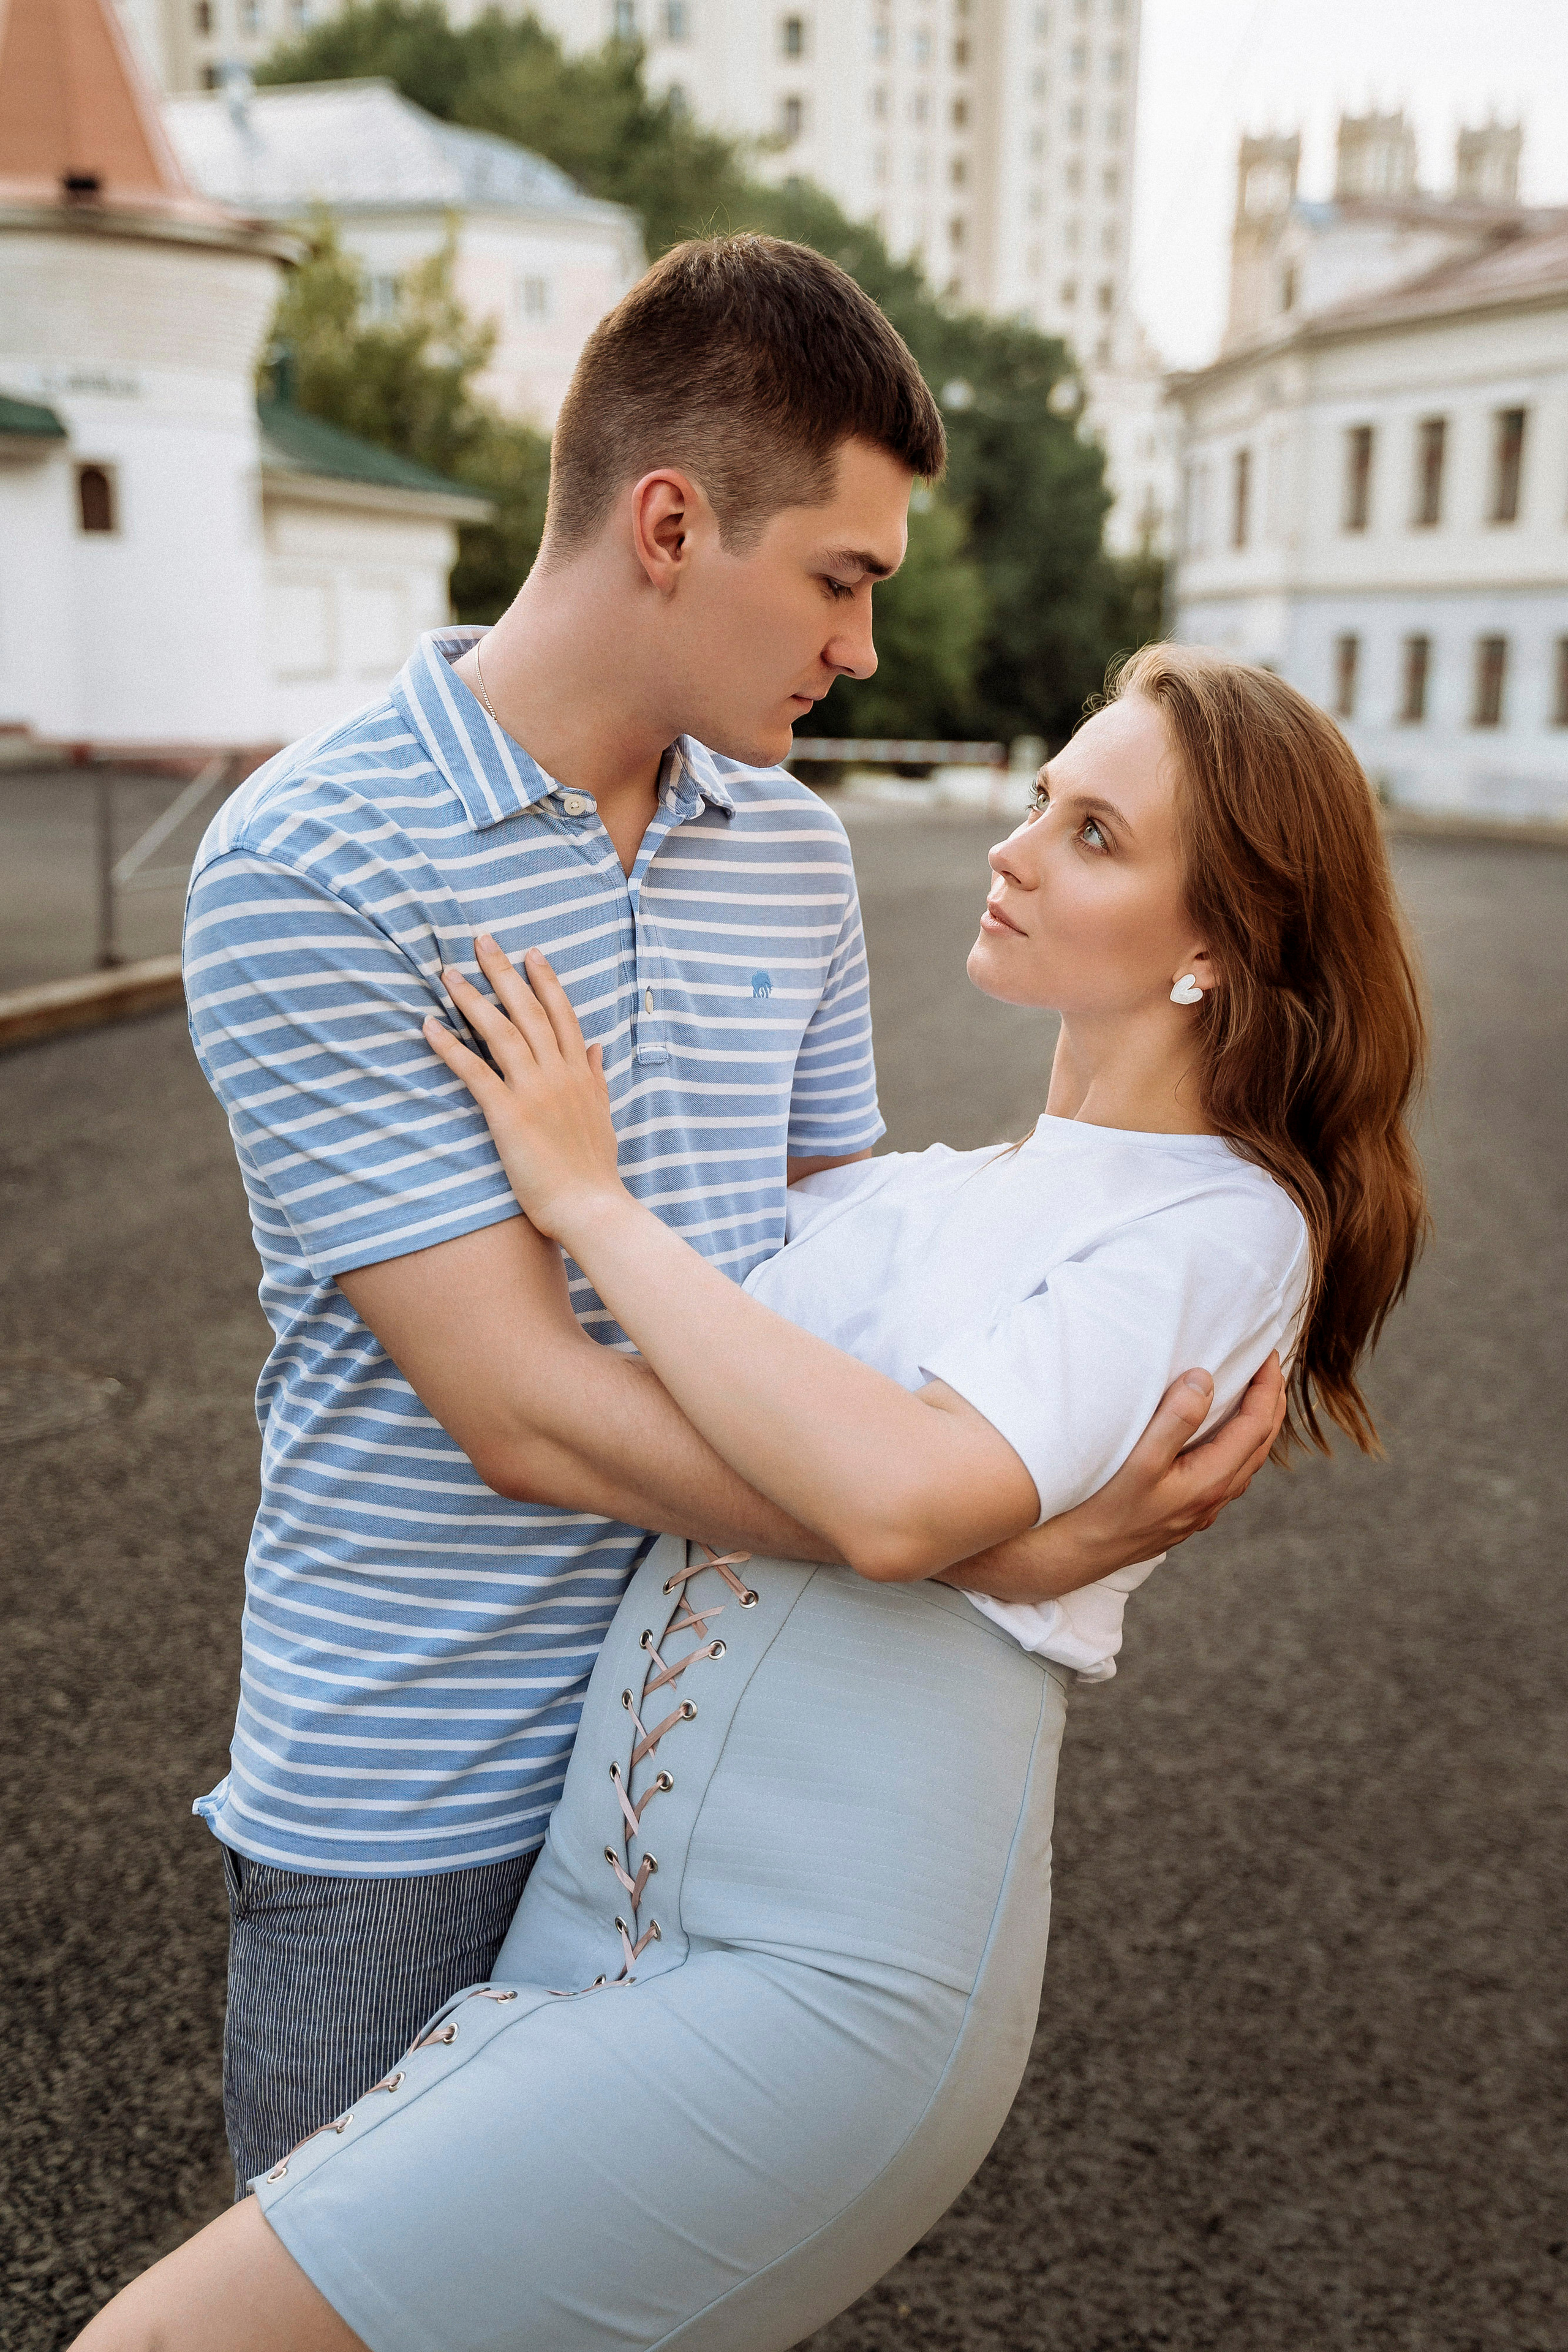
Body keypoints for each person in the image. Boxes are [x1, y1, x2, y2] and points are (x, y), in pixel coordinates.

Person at [82, 643, 1428, 2352]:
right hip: (593, 1916)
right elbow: (769, 1459)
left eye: (1095, 834)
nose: (1016, 848)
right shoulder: (914, 1203)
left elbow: (888, 1502)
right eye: (1040, 803)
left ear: (1218, 944)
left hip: (821, 1976)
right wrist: (1034, 1547)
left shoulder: (1227, 1224)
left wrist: (590, 1201)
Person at [176, 233, 1280, 2196]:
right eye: (842, 580)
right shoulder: (314, 859)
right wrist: (974, 1549)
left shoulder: (788, 849)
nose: (861, 648)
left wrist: (1010, 1426)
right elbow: (514, 1410)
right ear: (671, 522)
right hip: (418, 1783)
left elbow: (829, 1281)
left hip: (723, 1744)